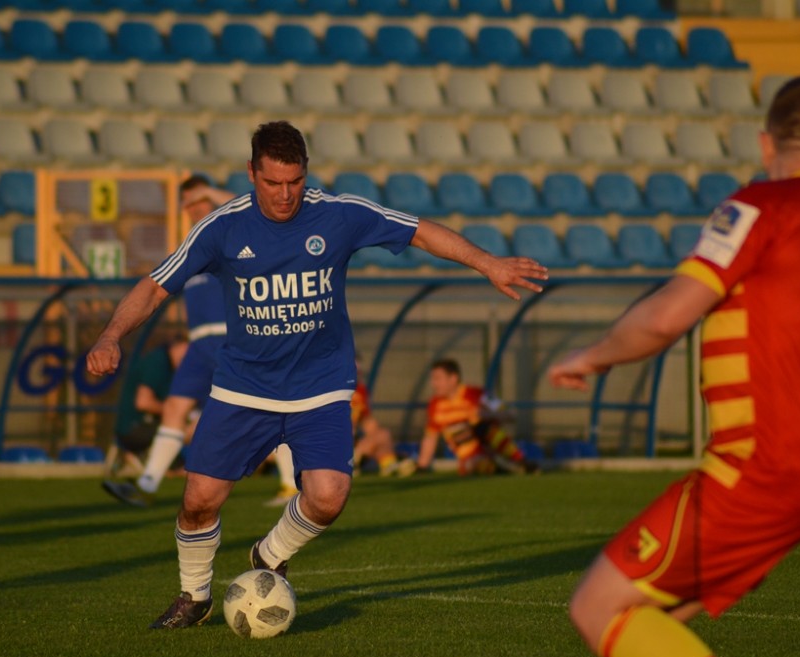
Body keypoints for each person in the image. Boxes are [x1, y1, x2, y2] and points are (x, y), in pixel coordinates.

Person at [85, 120, 547, 630]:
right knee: (198, 502)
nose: (285, 194)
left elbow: (419, 230)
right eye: (273, 182)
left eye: (295, 181)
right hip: (244, 388)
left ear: (306, 172)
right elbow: (155, 287)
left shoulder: (339, 214)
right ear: (251, 173)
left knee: (328, 498)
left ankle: (268, 555)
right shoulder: (222, 227)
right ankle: (194, 596)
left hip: (320, 387)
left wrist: (487, 263)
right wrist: (111, 336)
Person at [546, 75, 800, 657]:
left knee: (597, 607)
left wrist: (591, 356)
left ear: (766, 144)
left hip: (761, 464)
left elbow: (665, 319)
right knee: (652, 622)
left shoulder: (762, 205)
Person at [102, 175, 233, 507]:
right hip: (199, 345)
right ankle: (146, 486)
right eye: (188, 204)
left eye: (199, 200)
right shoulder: (192, 245)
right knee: (174, 408)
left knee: (263, 408)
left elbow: (247, 207)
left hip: (228, 339)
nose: (194, 209)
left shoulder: (231, 232)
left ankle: (291, 485)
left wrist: (210, 192)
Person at [416, 358, 534, 475]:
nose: (433, 384)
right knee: (470, 462)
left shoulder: (477, 394)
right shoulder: (435, 404)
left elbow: (510, 414)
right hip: (469, 457)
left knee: (486, 428)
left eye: (437, 379)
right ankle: (500, 465)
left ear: (453, 379)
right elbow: (430, 437)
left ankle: (519, 461)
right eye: (432, 379)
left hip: (490, 443)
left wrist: (486, 415)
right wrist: (422, 466)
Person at [107, 337, 189, 479]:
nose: (189, 360)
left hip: (144, 426)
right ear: (177, 346)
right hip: (133, 428)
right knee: (180, 429)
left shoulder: (170, 367)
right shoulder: (158, 362)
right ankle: (163, 466)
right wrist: (175, 412)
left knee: (184, 427)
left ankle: (156, 463)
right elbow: (143, 402)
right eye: (187, 353)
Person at [351, 358, 415, 477]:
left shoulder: (360, 391)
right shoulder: (329, 389)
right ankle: (352, 461)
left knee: (383, 435)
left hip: (352, 442)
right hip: (334, 442)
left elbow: (368, 423)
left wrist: (379, 439)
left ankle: (390, 464)